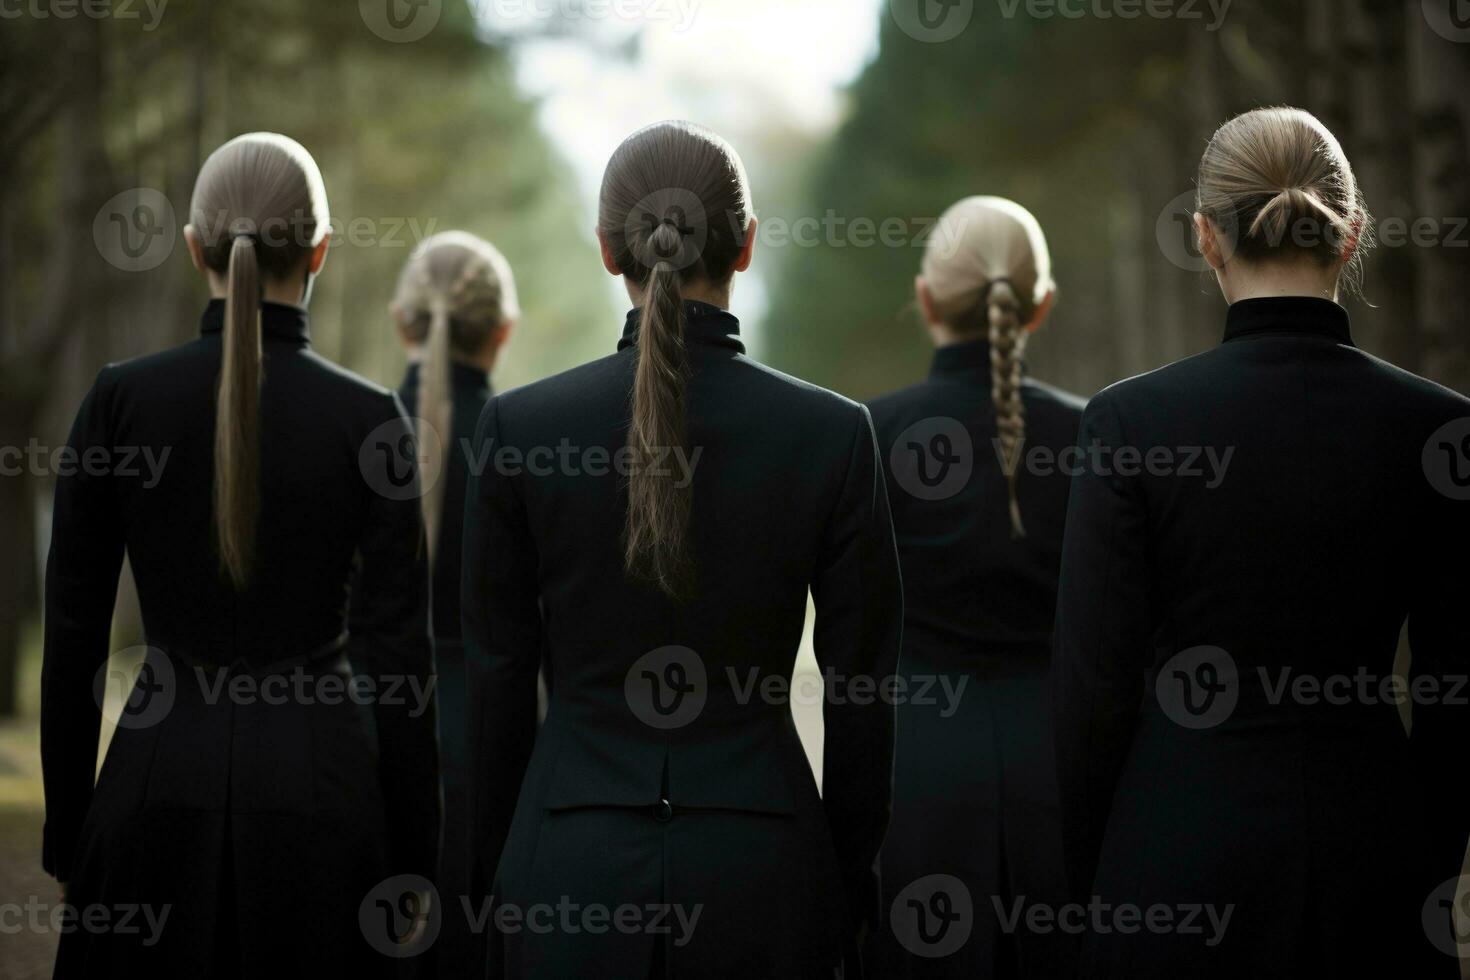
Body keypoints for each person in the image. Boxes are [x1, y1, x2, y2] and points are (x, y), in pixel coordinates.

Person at [462, 120, 903, 979]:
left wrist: (499, 884)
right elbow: (863, 696)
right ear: (744, 249)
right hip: (766, 877)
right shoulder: (832, 435)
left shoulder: (520, 430)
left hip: (568, 874)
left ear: (606, 248)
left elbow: (497, 694)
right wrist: (842, 888)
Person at [1051, 106, 1470, 977]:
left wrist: (1104, 878)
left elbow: (1093, 688)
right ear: (1351, 233)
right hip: (1378, 858)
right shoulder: (1439, 430)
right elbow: (1454, 692)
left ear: (1206, 238)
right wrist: (1421, 858)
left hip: (1175, 856)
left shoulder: (1131, 421)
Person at [40, 133, 439, 977]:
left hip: (149, 797)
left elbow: (71, 632)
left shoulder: (118, 402)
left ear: (196, 249)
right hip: (325, 812)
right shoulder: (369, 421)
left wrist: (73, 825)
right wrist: (412, 855)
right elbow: (399, 656)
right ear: (320, 251)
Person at [866, 197, 1084, 978]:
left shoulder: (869, 433)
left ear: (925, 300)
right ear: (1042, 304)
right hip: (1065, 779)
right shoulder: (1098, 434)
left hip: (912, 776)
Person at [385, 229, 517, 976]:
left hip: (363, 740)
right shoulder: (536, 439)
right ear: (503, 333)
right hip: (494, 751)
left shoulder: (350, 425)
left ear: (403, 321)